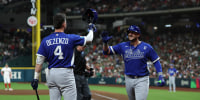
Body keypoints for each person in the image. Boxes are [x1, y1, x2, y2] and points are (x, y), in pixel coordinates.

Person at [31, 13, 96, 100]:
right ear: (64, 24)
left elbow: (39, 62)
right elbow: (89, 39)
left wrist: (35, 78)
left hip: (51, 74)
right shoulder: (70, 38)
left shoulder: (45, 40)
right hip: (66, 74)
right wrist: (91, 29)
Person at [101, 25, 165, 100]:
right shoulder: (122, 46)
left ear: (138, 35)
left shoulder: (147, 47)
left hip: (142, 79)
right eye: (129, 32)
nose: (130, 34)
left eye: (133, 32)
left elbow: (156, 61)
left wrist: (160, 76)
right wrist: (105, 43)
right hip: (128, 79)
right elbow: (106, 52)